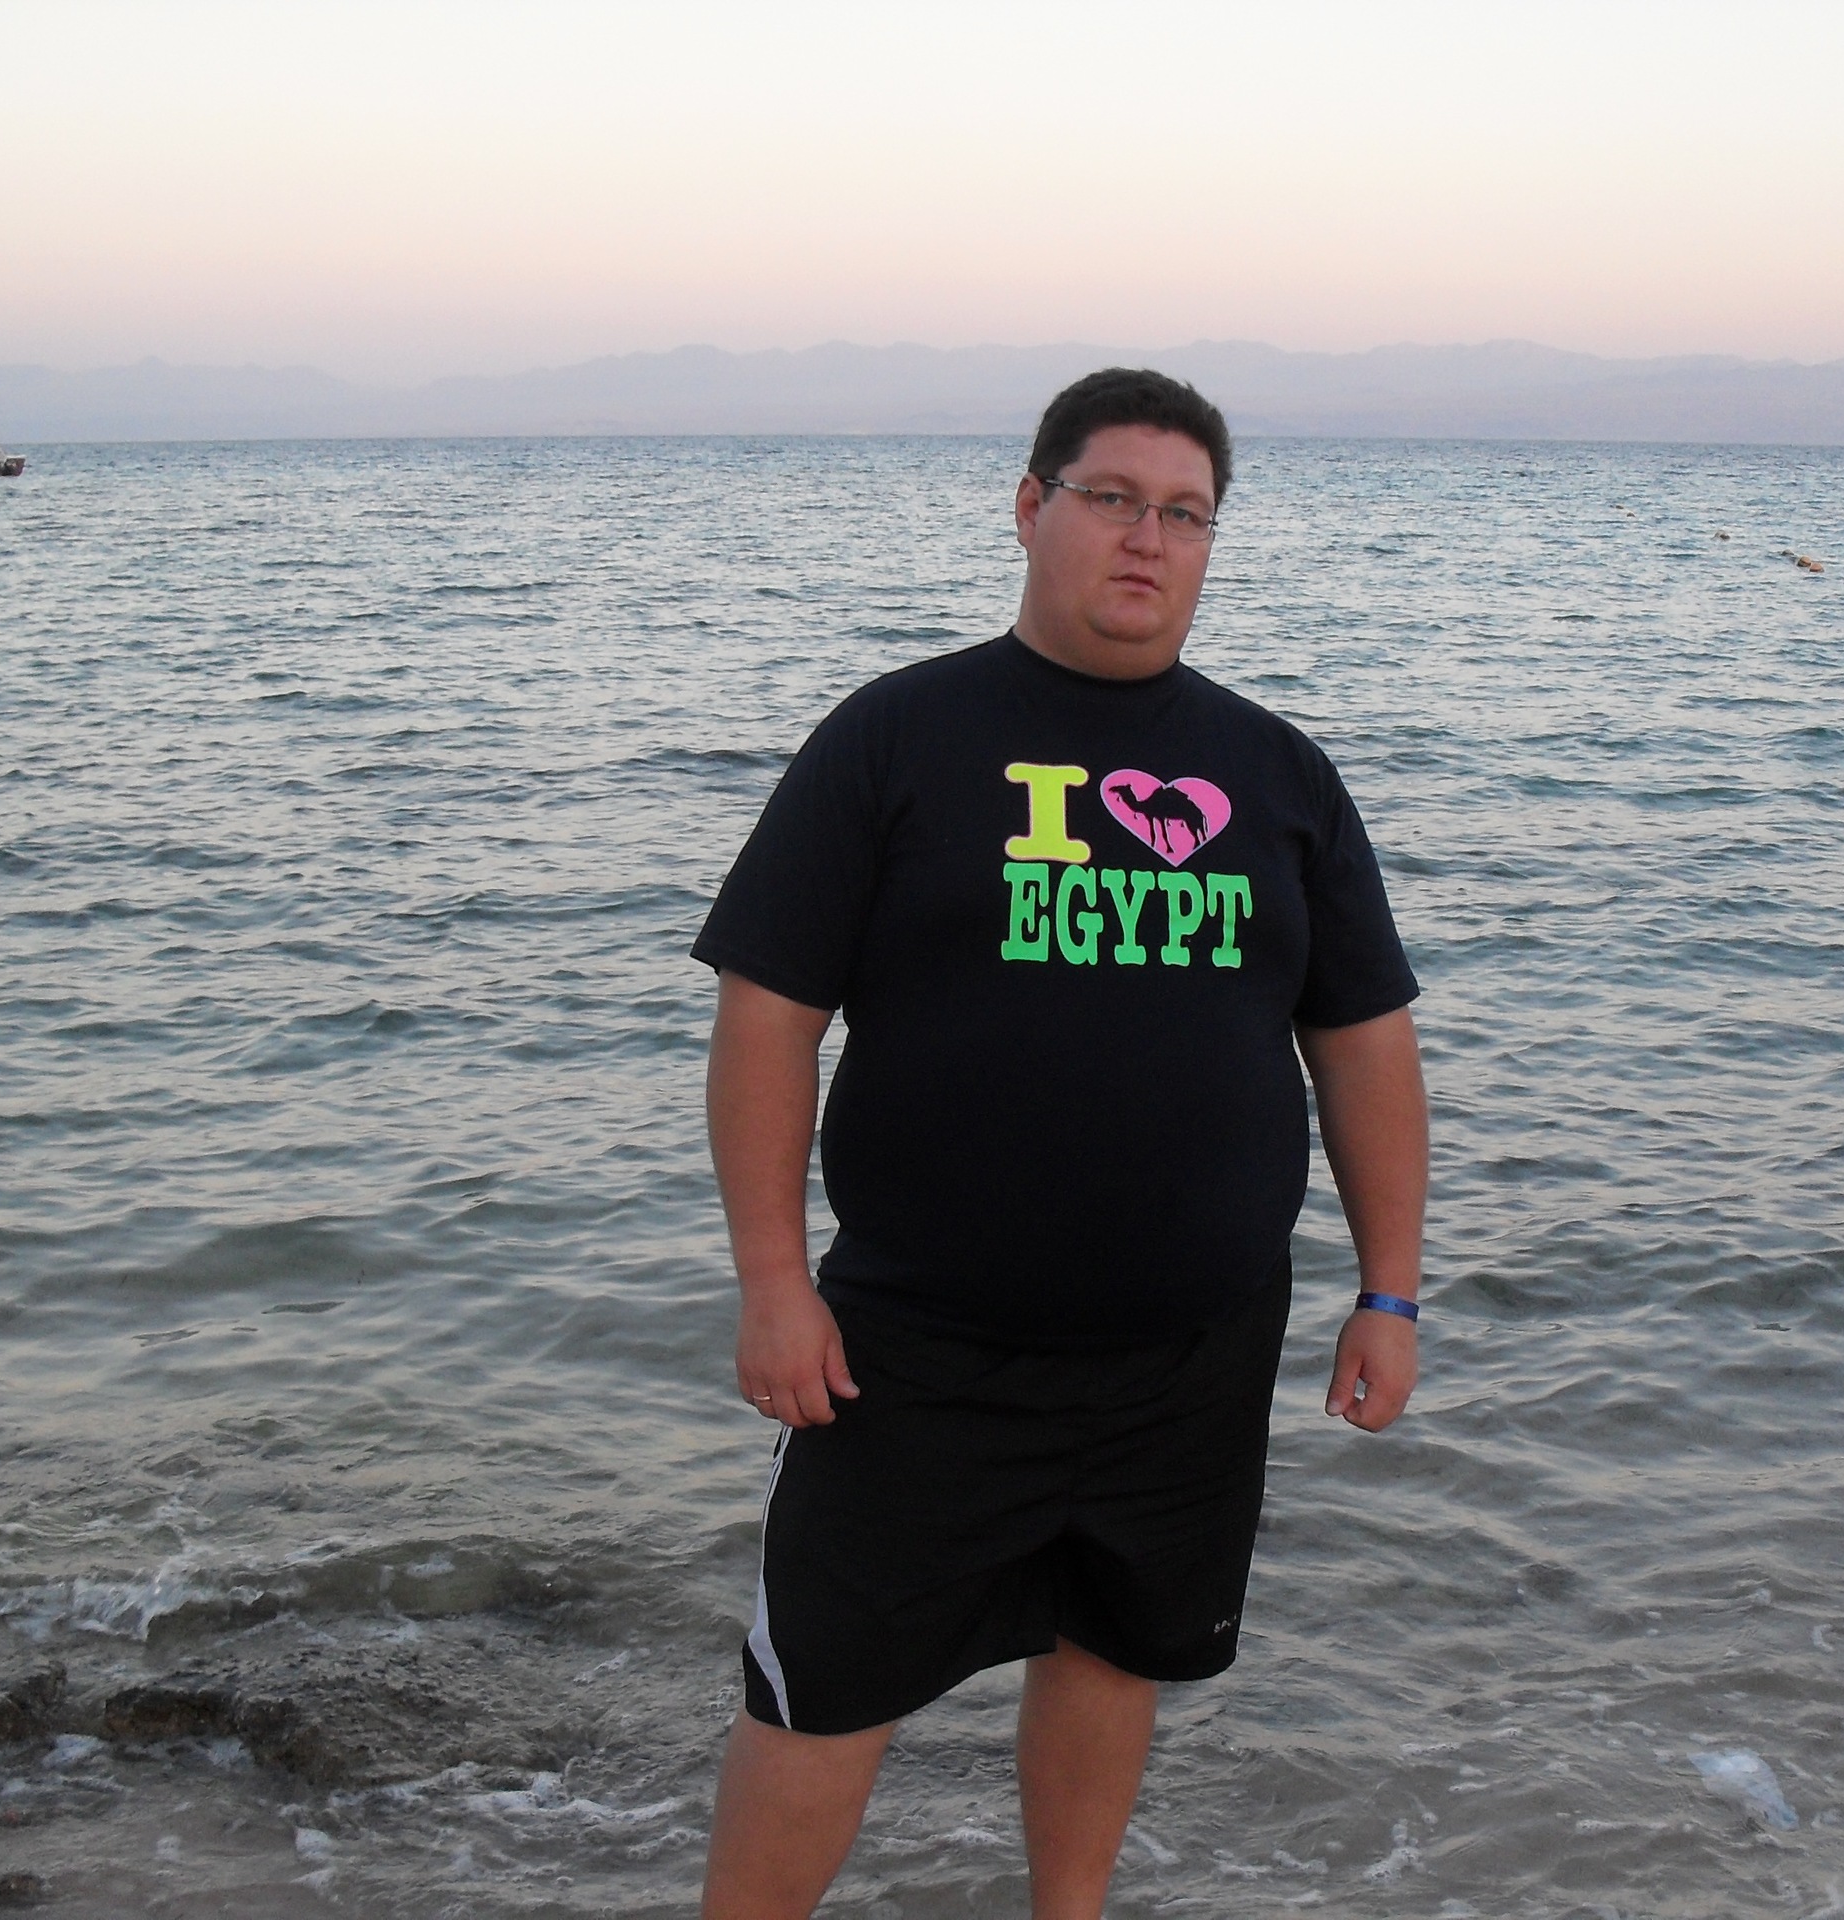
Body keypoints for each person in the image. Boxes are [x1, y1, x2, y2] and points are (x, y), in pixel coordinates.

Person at [690, 367, 1427, 1920]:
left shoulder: (1278, 773)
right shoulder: (898, 735)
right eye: (1112, 499)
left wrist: (1390, 1290)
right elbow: (767, 1016)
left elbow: (1363, 1042)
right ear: (1031, 509)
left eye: (1185, 514)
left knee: (1112, 1651)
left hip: (1191, 1354)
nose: (1148, 538)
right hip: (914, 1350)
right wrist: (772, 1281)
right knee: (822, 1687)